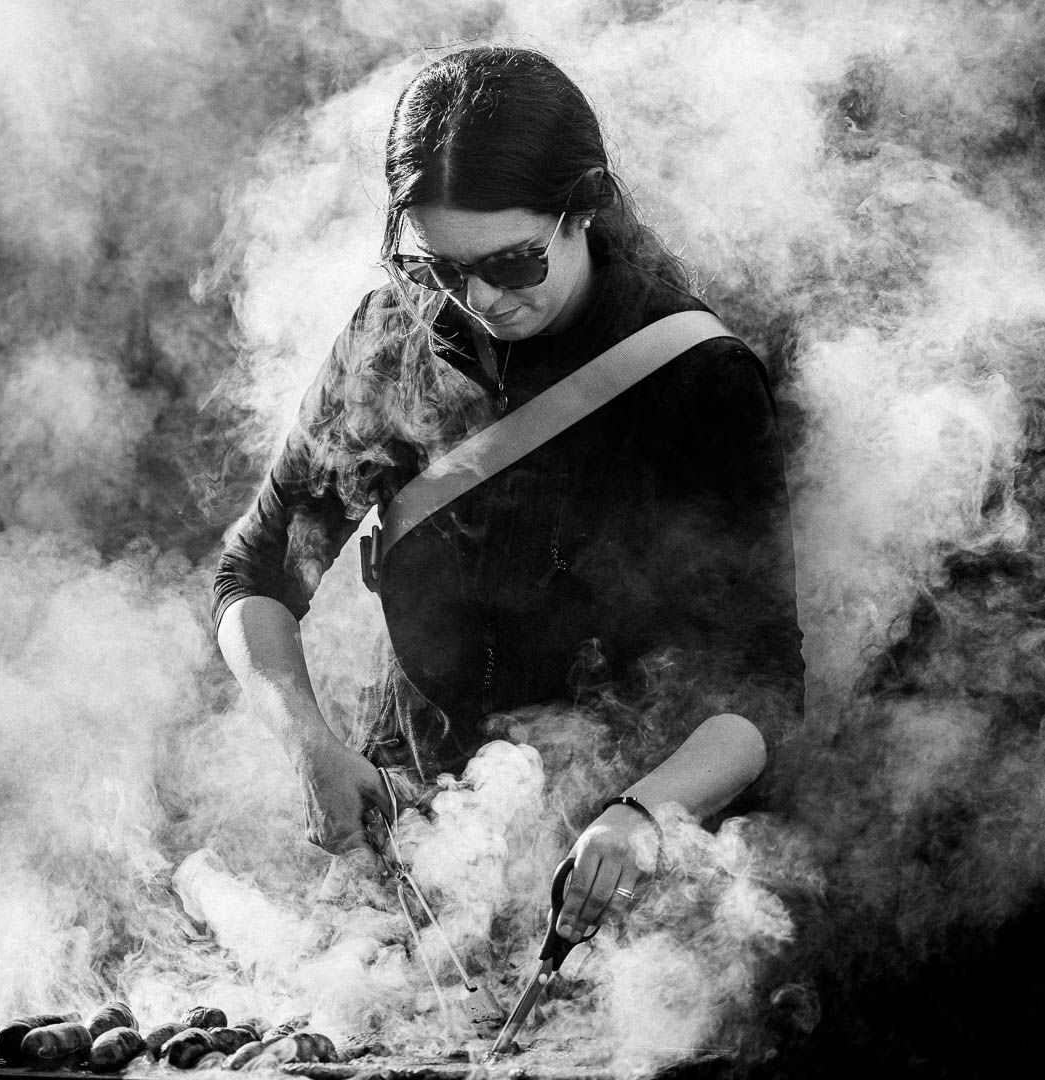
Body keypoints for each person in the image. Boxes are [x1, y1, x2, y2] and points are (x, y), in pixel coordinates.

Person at [212, 46, 803, 948]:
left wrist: (641, 816)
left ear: (587, 205)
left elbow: (760, 688)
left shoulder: (696, 378)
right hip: (421, 850)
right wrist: (307, 743)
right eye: (437, 268)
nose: (476, 298)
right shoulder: (387, 336)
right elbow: (253, 573)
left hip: (634, 867)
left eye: (514, 263)